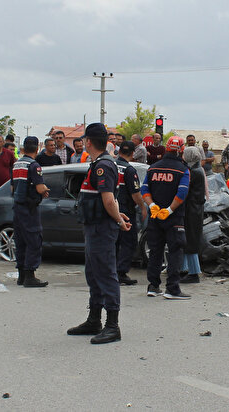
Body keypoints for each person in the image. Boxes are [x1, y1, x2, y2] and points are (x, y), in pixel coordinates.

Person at [66, 123, 130, 345]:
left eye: (84, 140)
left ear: (88, 141)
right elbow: (109, 200)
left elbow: (108, 199)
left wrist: (118, 219)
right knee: (93, 274)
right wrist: (118, 215)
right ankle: (94, 320)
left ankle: (112, 325)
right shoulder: (98, 164)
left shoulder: (103, 165)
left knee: (105, 274)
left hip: (102, 229)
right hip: (94, 227)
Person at [141, 135, 192, 301]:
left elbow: (144, 190)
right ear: (181, 150)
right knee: (175, 251)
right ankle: (172, 288)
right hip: (174, 218)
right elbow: (182, 192)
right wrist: (170, 210)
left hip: (155, 217)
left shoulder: (153, 168)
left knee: (155, 251)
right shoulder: (183, 169)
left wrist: (152, 206)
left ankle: (153, 286)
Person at [10, 136, 49, 287]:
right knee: (34, 241)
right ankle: (30, 276)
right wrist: (45, 190)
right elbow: (40, 188)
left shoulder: (17, 164)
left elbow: (13, 187)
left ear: (24, 148)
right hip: (29, 208)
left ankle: (21, 275)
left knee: (20, 241)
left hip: (17, 207)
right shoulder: (34, 166)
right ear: (37, 148)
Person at [113, 141, 145, 286]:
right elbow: (135, 194)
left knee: (114, 242)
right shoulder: (129, 170)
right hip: (126, 212)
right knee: (128, 242)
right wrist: (143, 207)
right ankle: (121, 272)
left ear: (119, 152)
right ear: (133, 154)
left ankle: (112, 271)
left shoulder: (110, 165)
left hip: (111, 210)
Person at [180, 145, 208, 284]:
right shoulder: (198, 170)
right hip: (195, 209)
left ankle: (193, 272)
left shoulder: (193, 172)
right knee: (188, 239)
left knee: (190, 240)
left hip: (192, 210)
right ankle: (185, 268)